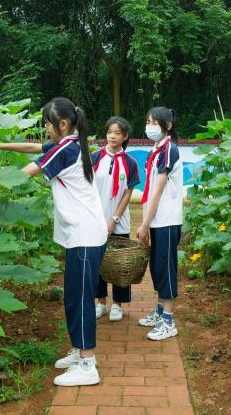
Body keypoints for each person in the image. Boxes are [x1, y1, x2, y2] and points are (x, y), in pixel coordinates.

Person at [0, 97, 106, 386]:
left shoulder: (66, 149)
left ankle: (87, 364)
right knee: (74, 296)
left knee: (81, 299)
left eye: (47, 123)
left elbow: (19, 178)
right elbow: (34, 147)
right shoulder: (72, 143)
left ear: (63, 123)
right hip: (83, 233)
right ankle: (79, 352)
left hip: (85, 235)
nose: (45, 128)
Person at [136, 107, 183, 341]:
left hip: (166, 219)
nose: (149, 126)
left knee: (166, 267)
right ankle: (160, 310)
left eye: (154, 122)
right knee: (156, 266)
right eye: (147, 121)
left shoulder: (169, 150)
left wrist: (144, 224)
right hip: (156, 219)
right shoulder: (155, 150)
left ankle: (168, 320)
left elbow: (157, 191)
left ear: (168, 126)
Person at [91, 117, 140, 322]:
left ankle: (118, 305)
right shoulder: (94, 158)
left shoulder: (130, 162)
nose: (112, 136)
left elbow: (128, 193)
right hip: (95, 220)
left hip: (119, 221)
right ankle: (100, 303)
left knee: (120, 264)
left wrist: (114, 218)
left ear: (125, 136)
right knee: (98, 263)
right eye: (110, 132)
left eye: (117, 133)